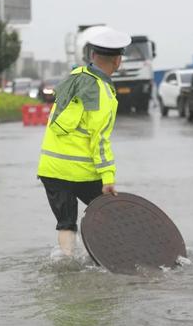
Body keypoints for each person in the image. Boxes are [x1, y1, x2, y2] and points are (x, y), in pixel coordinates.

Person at [37, 26, 131, 256]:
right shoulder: (102, 92)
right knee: (109, 214)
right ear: (118, 61)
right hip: (81, 171)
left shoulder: (73, 78)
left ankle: (67, 263)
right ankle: (111, 257)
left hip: (51, 169)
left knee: (67, 223)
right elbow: (99, 140)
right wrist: (108, 177)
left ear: (92, 56)